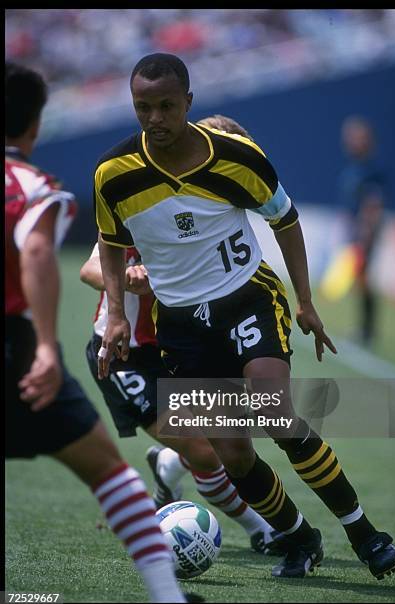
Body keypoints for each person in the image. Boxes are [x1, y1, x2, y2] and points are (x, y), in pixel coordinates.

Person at [93, 53, 395, 580]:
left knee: (273, 411)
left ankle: (366, 534)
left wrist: (304, 300)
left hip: (246, 299)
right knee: (234, 454)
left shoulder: (238, 157)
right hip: (182, 326)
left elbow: (286, 219)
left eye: (167, 106)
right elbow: (111, 243)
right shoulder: (114, 174)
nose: (156, 118)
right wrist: (117, 312)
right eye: (144, 107)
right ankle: (300, 539)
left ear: (188, 103)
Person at [5, 61, 203, 604]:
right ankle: (172, 594)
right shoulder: (35, 185)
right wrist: (48, 345)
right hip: (75, 353)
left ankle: (173, 465)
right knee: (112, 472)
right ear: (35, 126)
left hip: (182, 347)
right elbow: (51, 256)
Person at [79, 116, 288, 558]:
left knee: (234, 433)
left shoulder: (211, 208)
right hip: (128, 355)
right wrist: (128, 280)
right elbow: (90, 266)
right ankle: (260, 529)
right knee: (208, 451)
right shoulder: (141, 195)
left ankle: (169, 464)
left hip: (187, 343)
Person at [337, 116, 386, 346]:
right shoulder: (353, 168)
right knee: (359, 279)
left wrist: (365, 236)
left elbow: (373, 205)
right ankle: (365, 328)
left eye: (355, 137)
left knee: (364, 278)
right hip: (355, 230)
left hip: (366, 232)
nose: (350, 142)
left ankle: (368, 330)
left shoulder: (371, 169)